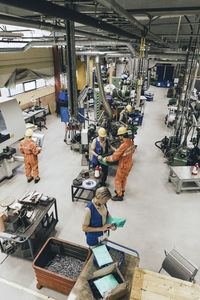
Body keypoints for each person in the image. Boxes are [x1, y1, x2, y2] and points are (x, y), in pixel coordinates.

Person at [103, 126, 135, 201]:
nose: (119, 137)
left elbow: (114, 158)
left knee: (117, 180)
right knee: (124, 178)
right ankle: (122, 190)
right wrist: (118, 151)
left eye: (119, 136)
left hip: (123, 165)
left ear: (122, 136)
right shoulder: (130, 142)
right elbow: (130, 151)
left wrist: (106, 159)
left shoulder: (123, 145)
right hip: (129, 163)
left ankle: (119, 195)